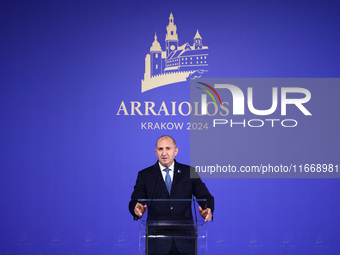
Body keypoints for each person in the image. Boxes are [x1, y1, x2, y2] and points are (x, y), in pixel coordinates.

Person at [129, 135, 214, 255]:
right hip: (157, 242)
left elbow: (205, 195)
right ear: (156, 152)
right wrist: (136, 208)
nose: (164, 153)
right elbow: (135, 200)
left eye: (168, 148)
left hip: (185, 242)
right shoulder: (145, 175)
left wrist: (207, 208)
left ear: (176, 151)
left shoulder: (189, 172)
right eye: (160, 149)